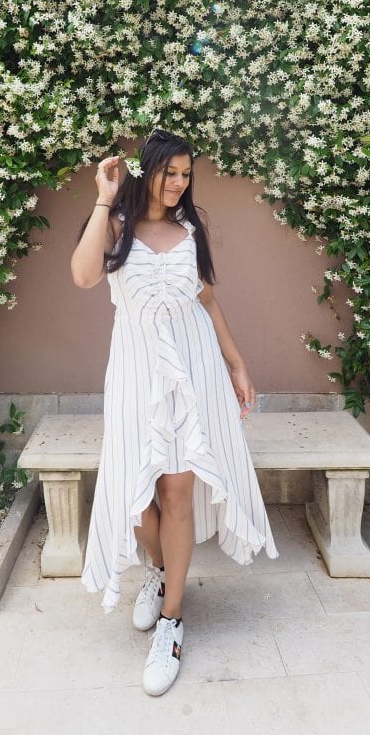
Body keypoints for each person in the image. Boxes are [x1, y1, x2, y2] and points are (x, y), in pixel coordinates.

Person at [71, 128, 278, 697]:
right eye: (169, 172)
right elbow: (84, 276)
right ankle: (156, 573)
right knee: (140, 501)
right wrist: (104, 196)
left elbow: (206, 299)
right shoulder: (115, 226)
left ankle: (172, 622)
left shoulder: (190, 231)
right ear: (148, 170)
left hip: (194, 376)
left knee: (179, 493)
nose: (178, 182)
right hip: (137, 379)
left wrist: (236, 365)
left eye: (186, 173)